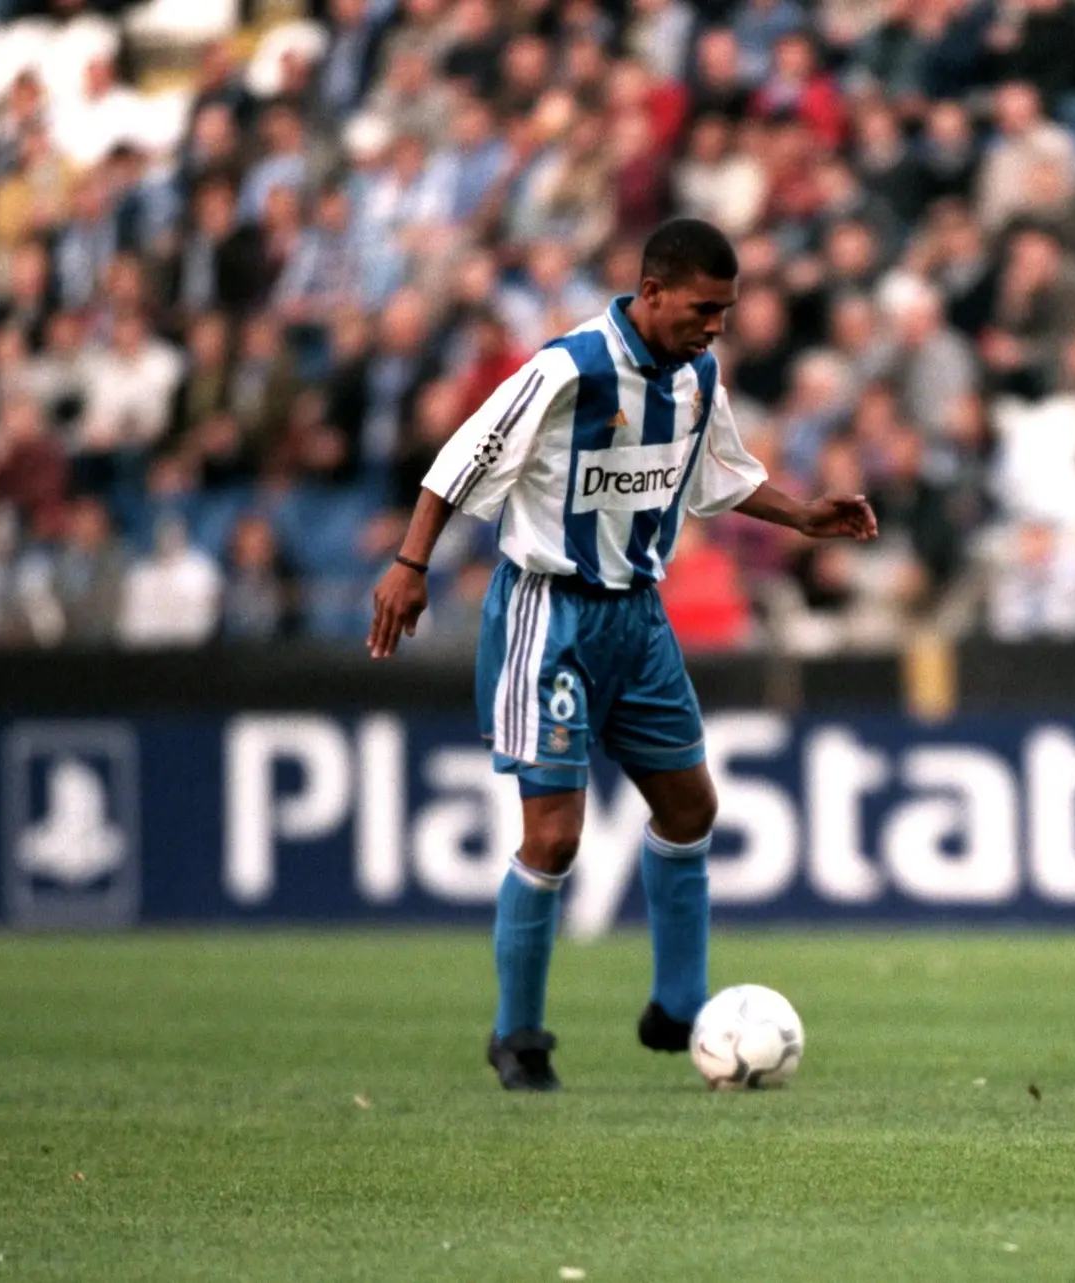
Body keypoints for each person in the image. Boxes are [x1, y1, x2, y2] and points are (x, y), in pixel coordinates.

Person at [366, 219, 877, 1092]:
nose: (715, 325)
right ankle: (518, 1035)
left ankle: (678, 1007)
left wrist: (802, 517)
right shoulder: (568, 369)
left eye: (727, 309)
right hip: (549, 614)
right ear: (651, 292)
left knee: (690, 808)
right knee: (556, 834)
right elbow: (461, 457)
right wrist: (411, 564)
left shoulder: (696, 376)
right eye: (702, 307)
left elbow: (718, 471)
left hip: (639, 621)